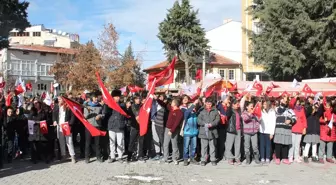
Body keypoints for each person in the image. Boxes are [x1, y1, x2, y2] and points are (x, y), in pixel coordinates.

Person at [104, 90, 127, 163]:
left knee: (120, 142)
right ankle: (113, 156)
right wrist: (105, 104)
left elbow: (124, 112)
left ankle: (120, 156)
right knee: (112, 142)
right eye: (116, 97)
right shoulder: (109, 105)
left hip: (120, 126)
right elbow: (106, 112)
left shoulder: (122, 105)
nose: (117, 98)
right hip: (111, 125)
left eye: (118, 97)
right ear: (113, 97)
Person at [274, 96, 297, 165]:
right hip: (278, 128)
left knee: (285, 143)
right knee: (278, 143)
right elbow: (278, 113)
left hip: (287, 129)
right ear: (280, 101)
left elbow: (295, 118)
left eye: (285, 100)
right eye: (283, 100)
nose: (284, 101)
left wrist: (290, 120)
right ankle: (277, 157)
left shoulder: (290, 110)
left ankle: (285, 158)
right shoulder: (276, 109)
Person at [52, 96, 76, 163]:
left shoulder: (68, 106)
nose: (58, 100)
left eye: (59, 99)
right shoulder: (56, 107)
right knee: (61, 141)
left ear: (63, 99)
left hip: (66, 126)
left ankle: (72, 156)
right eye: (58, 99)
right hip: (59, 126)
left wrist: (70, 124)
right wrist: (54, 121)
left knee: (69, 141)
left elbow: (73, 117)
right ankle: (64, 155)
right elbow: (54, 115)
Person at [197, 97, 220, 166]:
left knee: (212, 146)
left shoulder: (215, 111)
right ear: (205, 103)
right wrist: (204, 124)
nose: (209, 105)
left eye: (210, 104)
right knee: (204, 146)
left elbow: (217, 119)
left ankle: (213, 159)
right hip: (203, 131)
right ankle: (203, 160)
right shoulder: (201, 110)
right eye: (207, 103)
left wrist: (212, 124)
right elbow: (198, 120)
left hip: (212, 131)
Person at [84, 94, 104, 163]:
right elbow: (84, 116)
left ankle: (98, 156)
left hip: (97, 125)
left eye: (96, 97)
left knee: (97, 142)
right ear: (92, 98)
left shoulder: (100, 105)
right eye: (95, 97)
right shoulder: (87, 106)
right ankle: (87, 157)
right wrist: (89, 112)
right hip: (89, 126)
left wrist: (100, 116)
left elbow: (103, 114)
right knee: (88, 142)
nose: (96, 99)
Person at [241, 97, 261, 165]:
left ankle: (256, 158)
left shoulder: (254, 113)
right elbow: (245, 119)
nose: (252, 107)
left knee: (255, 146)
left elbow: (258, 121)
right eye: (251, 106)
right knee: (247, 146)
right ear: (247, 107)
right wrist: (250, 114)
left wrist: (257, 127)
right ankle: (248, 159)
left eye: (252, 106)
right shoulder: (244, 113)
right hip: (247, 133)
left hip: (254, 132)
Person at [163, 98, 183, 165]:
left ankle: (175, 158)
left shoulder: (179, 112)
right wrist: (168, 96)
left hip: (174, 130)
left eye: (172, 102)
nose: (171, 103)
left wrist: (171, 130)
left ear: (175, 104)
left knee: (174, 144)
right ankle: (165, 158)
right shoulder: (171, 109)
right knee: (166, 144)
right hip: (167, 128)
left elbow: (177, 123)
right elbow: (167, 105)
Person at [225, 99, 243, 165]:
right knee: (229, 145)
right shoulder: (230, 110)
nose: (238, 105)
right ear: (233, 104)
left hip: (238, 130)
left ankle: (237, 158)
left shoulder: (239, 111)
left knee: (237, 145)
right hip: (231, 130)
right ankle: (230, 158)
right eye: (236, 104)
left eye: (238, 104)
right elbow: (227, 114)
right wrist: (229, 107)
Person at [182, 98, 200, 166]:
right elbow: (187, 112)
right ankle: (185, 159)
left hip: (194, 132)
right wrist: (193, 104)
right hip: (187, 132)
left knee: (194, 147)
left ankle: (192, 158)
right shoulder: (186, 112)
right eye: (191, 106)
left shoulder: (195, 114)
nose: (193, 107)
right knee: (186, 147)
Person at [259, 100, 276, 164]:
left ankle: (268, 157)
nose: (264, 105)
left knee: (268, 145)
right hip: (262, 130)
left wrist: (272, 133)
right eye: (263, 104)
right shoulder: (261, 111)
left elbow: (273, 122)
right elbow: (259, 120)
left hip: (269, 131)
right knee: (262, 145)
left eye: (265, 104)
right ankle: (262, 157)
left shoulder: (272, 112)